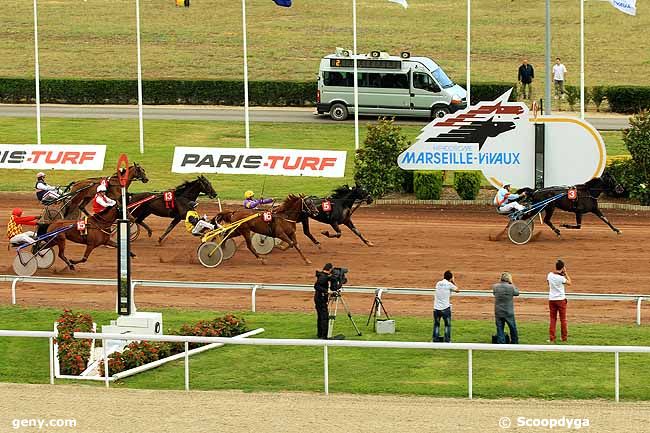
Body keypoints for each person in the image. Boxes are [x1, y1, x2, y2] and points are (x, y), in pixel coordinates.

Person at [492, 272, 520, 344]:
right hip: (508, 311)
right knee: (512, 327)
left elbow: (494, 293)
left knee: (500, 328)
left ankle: (501, 342)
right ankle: (514, 341)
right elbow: (517, 293)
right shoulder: (511, 287)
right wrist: (512, 284)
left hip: (498, 311)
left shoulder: (495, 286)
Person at [433, 270, 460, 343]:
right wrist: (453, 282)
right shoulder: (449, 284)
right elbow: (458, 290)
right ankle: (447, 340)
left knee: (436, 325)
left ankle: (435, 339)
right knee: (447, 325)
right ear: (450, 278)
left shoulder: (438, 283)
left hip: (436, 308)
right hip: (445, 308)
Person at [548, 259, 571, 343]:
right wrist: (566, 273)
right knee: (563, 319)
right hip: (561, 300)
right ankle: (564, 337)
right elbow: (569, 282)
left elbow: (548, 283)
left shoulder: (549, 275)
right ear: (562, 268)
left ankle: (552, 338)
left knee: (553, 319)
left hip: (552, 299)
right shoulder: (561, 278)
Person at [314, 263, 335, 339]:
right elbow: (316, 286)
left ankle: (320, 334)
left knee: (320, 317)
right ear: (329, 269)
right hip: (321, 299)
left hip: (318, 299)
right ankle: (324, 336)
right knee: (324, 317)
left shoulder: (322, 275)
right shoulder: (323, 277)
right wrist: (327, 291)